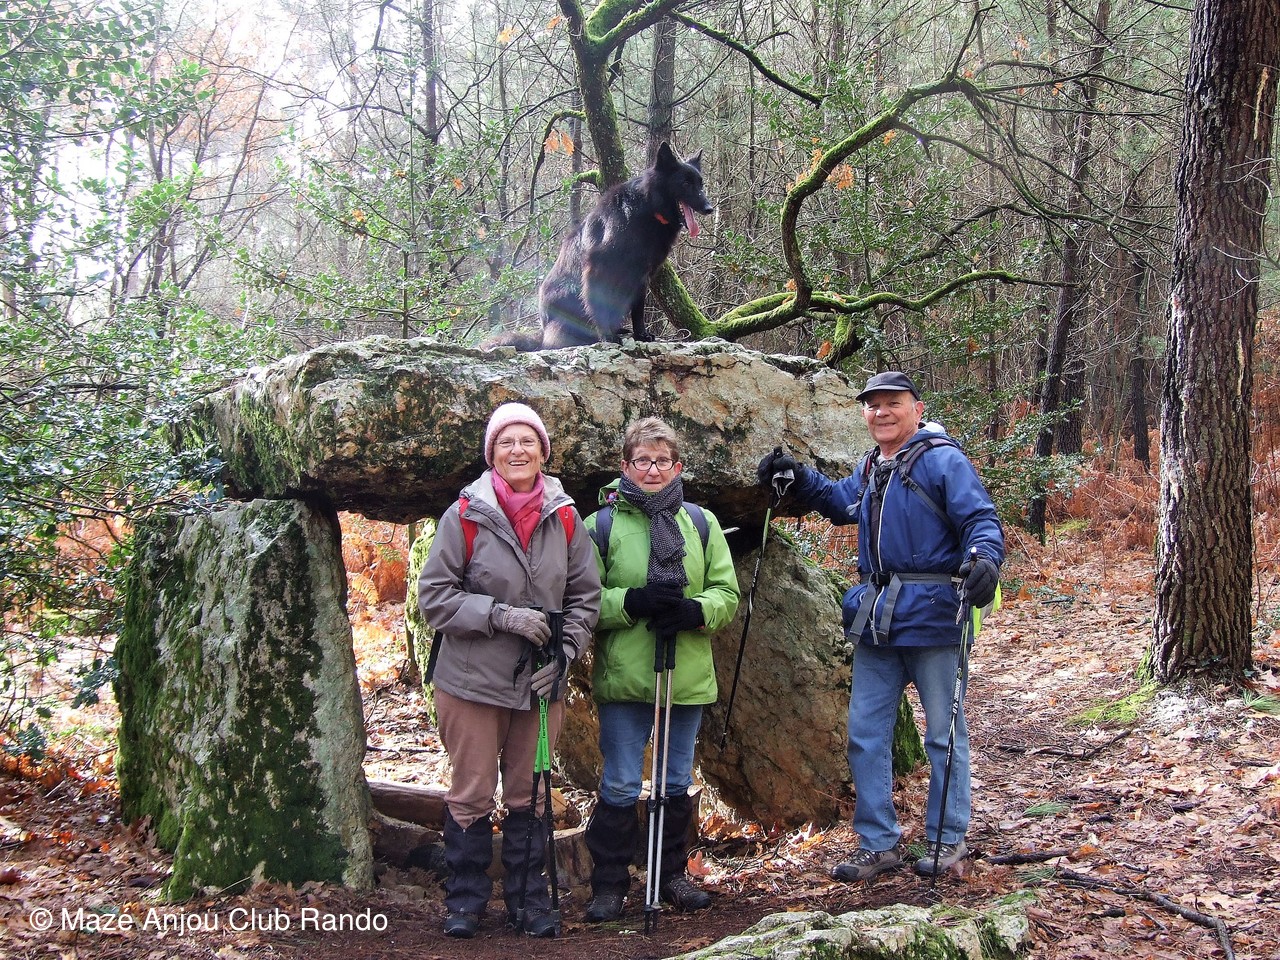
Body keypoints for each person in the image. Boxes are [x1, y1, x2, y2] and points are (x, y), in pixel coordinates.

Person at [757, 371, 1003, 880]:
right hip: (877, 620)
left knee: (944, 735)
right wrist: (797, 476)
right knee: (866, 735)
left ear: (917, 408)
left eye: (893, 403)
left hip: (936, 616)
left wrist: (984, 558)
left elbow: (980, 518)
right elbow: (840, 503)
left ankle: (947, 839)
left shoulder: (943, 460)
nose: (882, 412)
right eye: (873, 405)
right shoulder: (873, 465)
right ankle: (878, 843)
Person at [418, 402, 602, 938]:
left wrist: (565, 653)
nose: (517, 450)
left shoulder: (564, 517)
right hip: (470, 682)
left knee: (532, 793)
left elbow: (585, 597)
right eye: (506, 442)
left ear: (543, 452)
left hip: (540, 683)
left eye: (527, 441)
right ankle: (465, 902)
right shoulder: (464, 516)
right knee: (472, 791)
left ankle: (529, 901)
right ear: (491, 453)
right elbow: (434, 597)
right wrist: (499, 615)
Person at [581, 417, 741, 922]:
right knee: (621, 783)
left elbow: (726, 592)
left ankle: (669, 874)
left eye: (662, 460)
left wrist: (696, 611)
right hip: (626, 675)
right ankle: (609, 885)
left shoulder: (701, 522)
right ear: (625, 465)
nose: (653, 469)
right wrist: (631, 602)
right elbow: (582, 599)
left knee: (674, 781)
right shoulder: (601, 525)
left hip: (684, 674)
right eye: (643, 460)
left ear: (678, 466)